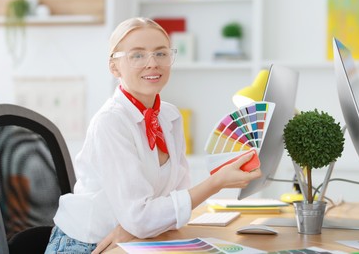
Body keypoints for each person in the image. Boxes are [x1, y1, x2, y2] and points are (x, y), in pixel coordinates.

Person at [44, 17, 262, 254]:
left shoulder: (169, 116)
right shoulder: (110, 122)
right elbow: (141, 217)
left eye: (161, 54)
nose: (152, 63)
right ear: (114, 67)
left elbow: (174, 200)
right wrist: (216, 182)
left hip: (133, 238)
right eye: (137, 55)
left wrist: (137, 227)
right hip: (88, 245)